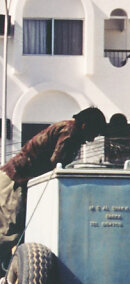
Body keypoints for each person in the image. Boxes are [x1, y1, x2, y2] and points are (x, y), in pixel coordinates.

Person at [0, 107, 106, 266]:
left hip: (21, 181)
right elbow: (56, 165)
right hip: (14, 179)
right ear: (84, 126)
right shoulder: (69, 133)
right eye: (94, 133)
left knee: (17, 232)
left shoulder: (70, 130)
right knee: (9, 234)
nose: (92, 140)